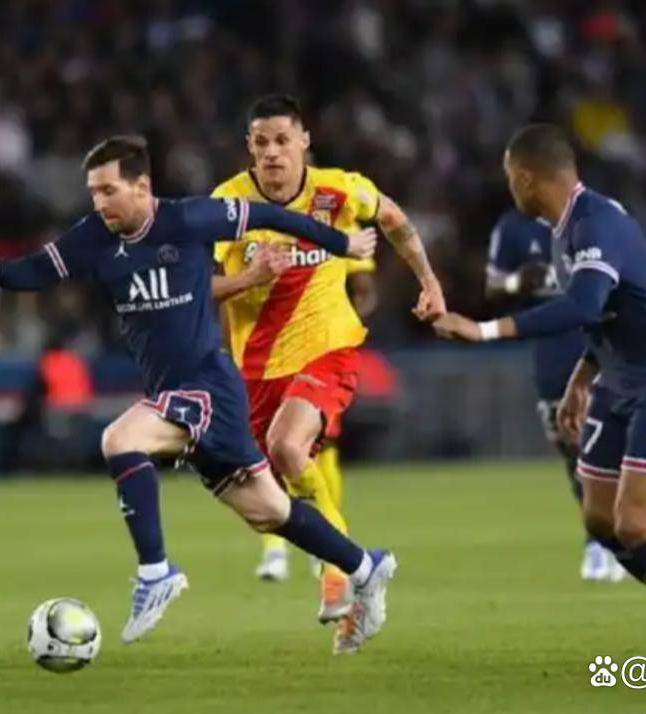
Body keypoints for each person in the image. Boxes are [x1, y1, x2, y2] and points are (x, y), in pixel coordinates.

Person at [0, 135, 396, 653]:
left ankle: (156, 572)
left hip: (208, 385)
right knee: (270, 512)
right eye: (93, 192)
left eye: (108, 191)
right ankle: (365, 567)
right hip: (177, 393)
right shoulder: (92, 236)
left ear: (142, 187)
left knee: (120, 439)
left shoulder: (189, 219)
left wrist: (341, 244)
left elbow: (271, 215)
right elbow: (35, 270)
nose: (99, 202)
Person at [432, 125, 646, 686]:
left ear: (527, 178)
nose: (509, 188)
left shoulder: (597, 223)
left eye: (510, 177)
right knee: (599, 520)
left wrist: (484, 330)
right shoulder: (565, 227)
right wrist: (582, 376)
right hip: (619, 376)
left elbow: (584, 305)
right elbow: (610, 311)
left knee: (636, 524)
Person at [211, 95, 444, 648]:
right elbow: (204, 289)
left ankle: (336, 573)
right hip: (256, 367)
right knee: (265, 507)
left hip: (328, 348)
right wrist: (248, 281)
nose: (272, 153)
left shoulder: (339, 190)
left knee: (288, 446)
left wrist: (429, 282)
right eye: (262, 142)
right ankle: (363, 571)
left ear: (304, 142)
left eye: (282, 140)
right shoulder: (226, 206)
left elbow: (394, 220)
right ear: (249, 147)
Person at [484, 209, 624, 582]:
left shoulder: (597, 215)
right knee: (572, 446)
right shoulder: (513, 226)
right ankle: (599, 539)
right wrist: (517, 282)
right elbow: (492, 284)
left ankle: (618, 535)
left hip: (604, 343)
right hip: (551, 351)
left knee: (609, 441)